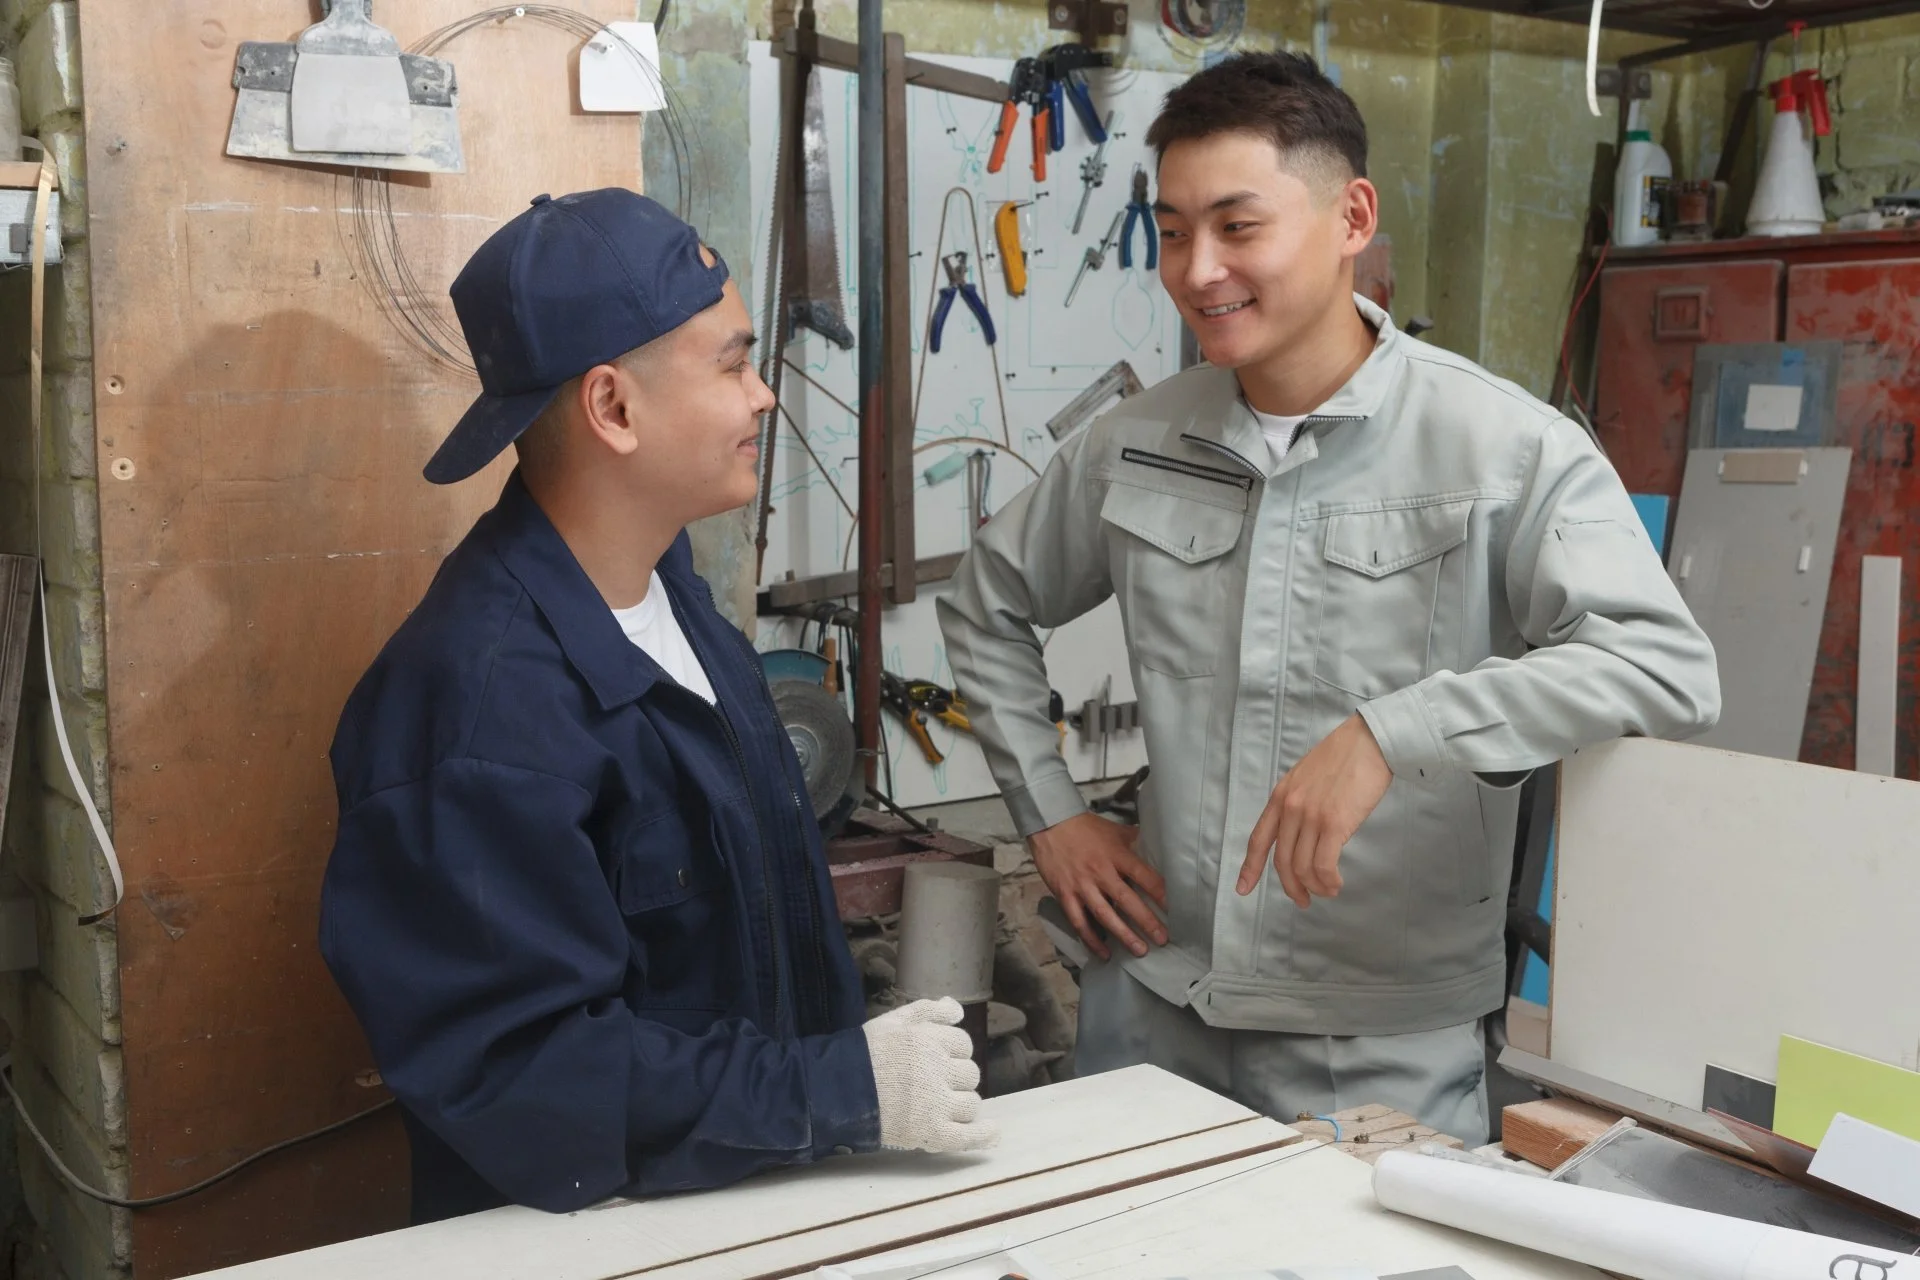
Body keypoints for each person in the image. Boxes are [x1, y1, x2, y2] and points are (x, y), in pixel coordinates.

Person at [938, 53, 1719, 1147]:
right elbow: (984, 604)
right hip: (1155, 1006)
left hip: (1376, 1043)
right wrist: (1054, 813)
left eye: (1237, 226)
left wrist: (1396, 729)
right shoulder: (1138, 443)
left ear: (1351, 216)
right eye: (1171, 231)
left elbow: (1665, 669)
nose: (1197, 269)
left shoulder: (1504, 449)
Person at [322, 189, 995, 1225]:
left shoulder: (665, 585)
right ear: (613, 408)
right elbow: (529, 1074)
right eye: (731, 362)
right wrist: (838, 1089)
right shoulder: (474, 711)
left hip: (749, 1190)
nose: (764, 395)